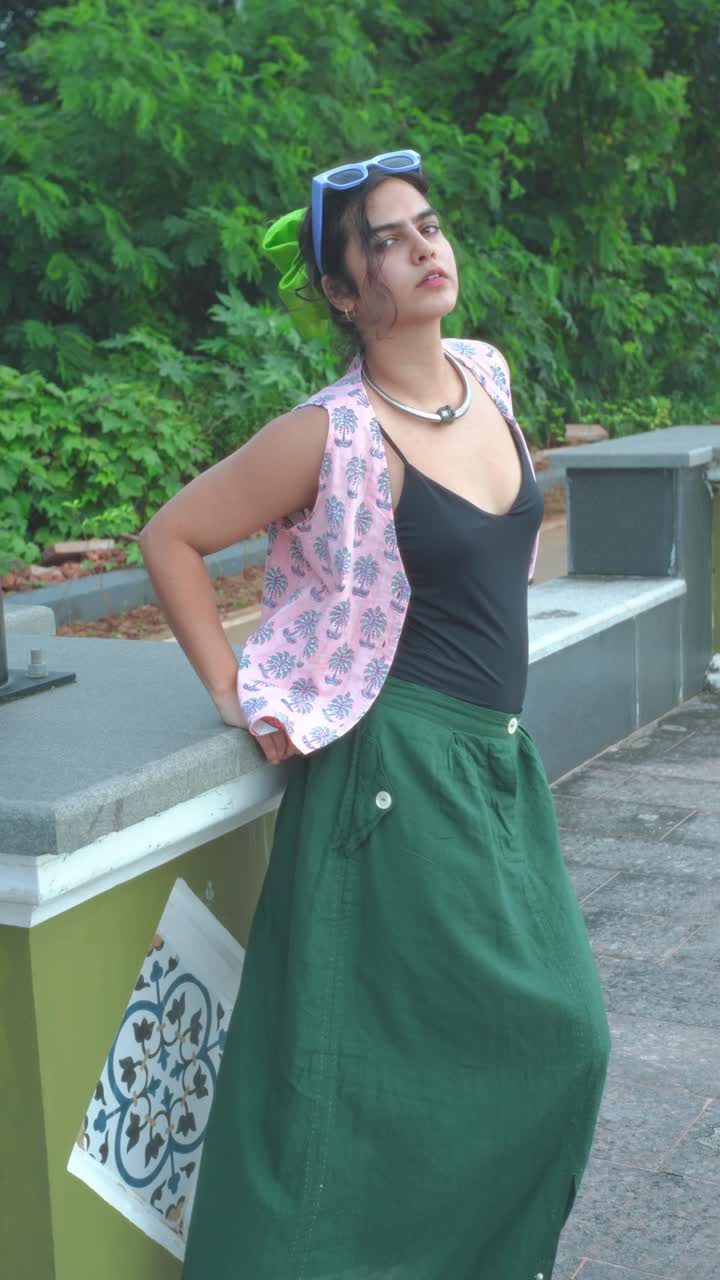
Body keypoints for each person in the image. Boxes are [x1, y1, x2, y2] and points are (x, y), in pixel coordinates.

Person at [141, 150, 611, 1279]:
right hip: (392, 774)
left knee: (558, 1043)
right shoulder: (333, 431)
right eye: (387, 241)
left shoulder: (486, 376)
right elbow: (173, 535)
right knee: (357, 1083)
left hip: (495, 765)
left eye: (428, 226)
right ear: (346, 294)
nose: (424, 247)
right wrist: (229, 686)